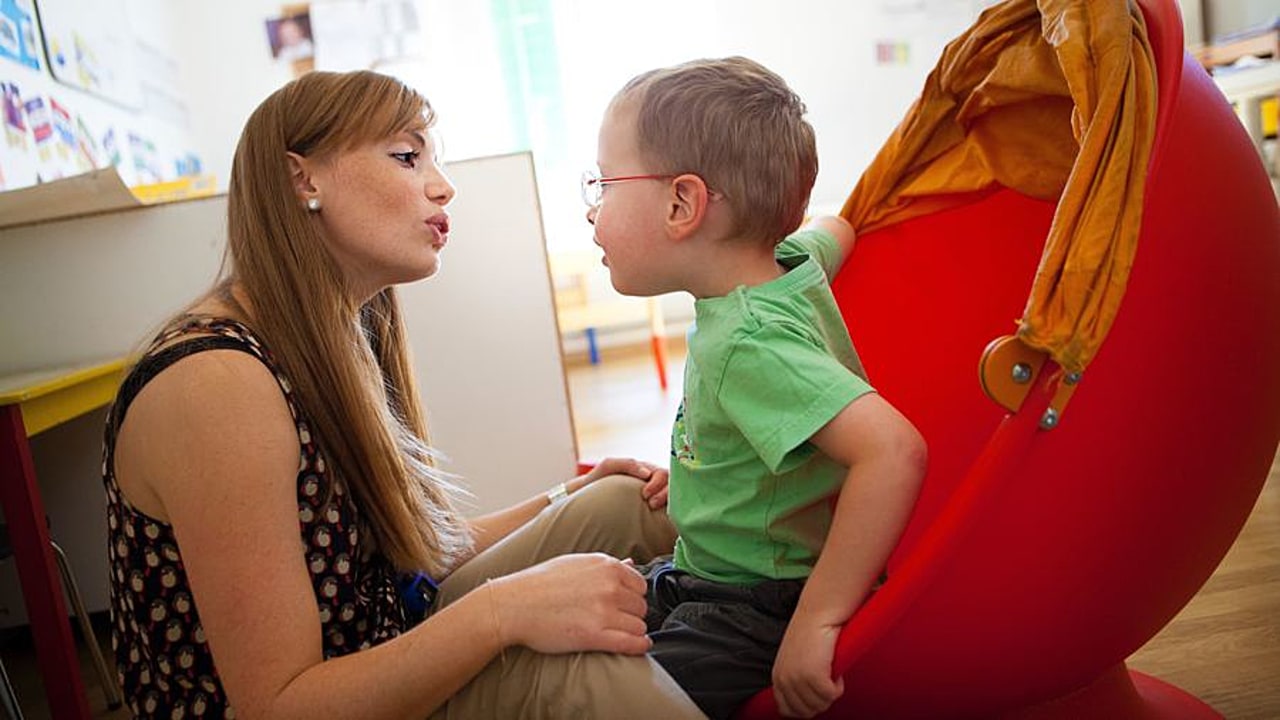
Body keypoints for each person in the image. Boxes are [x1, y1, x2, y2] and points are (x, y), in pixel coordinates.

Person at [102, 69, 706, 719]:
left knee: (624, 501)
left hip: (388, 634)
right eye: (407, 156)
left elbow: (412, 550)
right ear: (303, 180)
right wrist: (507, 611)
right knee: (575, 674)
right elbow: (280, 705)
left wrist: (569, 492)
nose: (443, 185)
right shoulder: (215, 385)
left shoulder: (334, 331)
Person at [583, 56, 928, 719]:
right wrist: (702, 473)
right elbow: (839, 230)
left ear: (682, 203)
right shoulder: (790, 263)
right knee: (584, 619)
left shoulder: (749, 342)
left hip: (757, 604)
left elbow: (893, 451)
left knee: (602, 700)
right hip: (707, 568)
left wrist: (818, 622)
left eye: (604, 183)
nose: (594, 208)